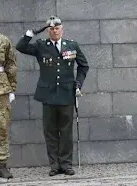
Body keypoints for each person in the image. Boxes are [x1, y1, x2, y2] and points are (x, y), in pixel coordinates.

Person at [16, 16, 89, 177]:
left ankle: (66, 164)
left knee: (66, 131)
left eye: (57, 28)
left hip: (66, 94)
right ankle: (54, 165)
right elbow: (20, 47)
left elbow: (84, 66)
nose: (54, 31)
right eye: (51, 29)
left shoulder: (72, 45)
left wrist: (78, 83)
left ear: (62, 29)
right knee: (50, 131)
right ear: (48, 30)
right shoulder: (41, 46)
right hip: (48, 95)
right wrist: (33, 32)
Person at [0, 8, 18, 179]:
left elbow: (11, 66)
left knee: (1, 127)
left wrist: (12, 89)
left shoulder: (2, 41)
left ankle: (1, 164)